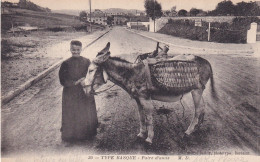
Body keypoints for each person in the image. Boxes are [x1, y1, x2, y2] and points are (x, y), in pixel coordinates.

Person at [59, 40, 98, 142]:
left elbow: (91, 75)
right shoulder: (65, 63)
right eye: (73, 50)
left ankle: (86, 135)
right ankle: (71, 136)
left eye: (77, 50)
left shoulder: (87, 61)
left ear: (81, 49)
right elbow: (62, 80)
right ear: (70, 49)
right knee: (72, 113)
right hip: (70, 94)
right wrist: (76, 82)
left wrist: (85, 81)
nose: (75, 52)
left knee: (85, 112)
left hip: (84, 92)